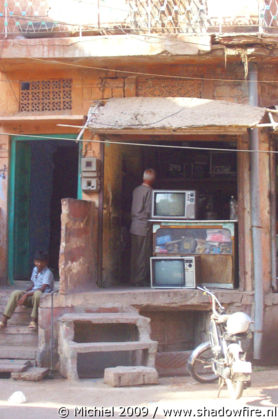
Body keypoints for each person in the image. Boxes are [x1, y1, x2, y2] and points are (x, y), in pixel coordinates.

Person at [0, 250, 54, 329]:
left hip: (42, 299)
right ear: (34, 261)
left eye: (41, 262)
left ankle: (33, 320)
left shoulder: (48, 273)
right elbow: (34, 285)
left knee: (37, 294)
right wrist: (25, 292)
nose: (39, 264)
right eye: (37, 261)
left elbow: (42, 289)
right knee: (16, 293)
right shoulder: (35, 270)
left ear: (46, 262)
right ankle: (4, 320)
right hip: (32, 297)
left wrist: (26, 294)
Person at [130, 168, 156, 286]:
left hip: (134, 225)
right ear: (153, 179)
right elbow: (150, 210)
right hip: (143, 227)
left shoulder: (136, 190)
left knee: (134, 255)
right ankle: (139, 280)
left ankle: (133, 278)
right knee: (142, 255)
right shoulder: (149, 191)